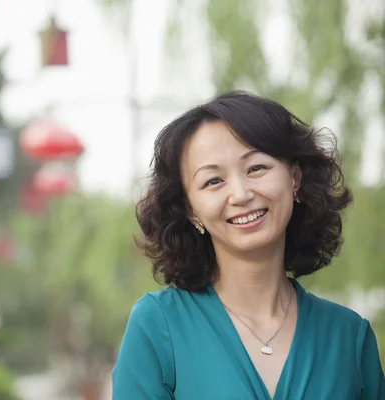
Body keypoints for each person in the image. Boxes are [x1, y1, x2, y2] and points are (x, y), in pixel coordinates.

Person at [112, 91, 385, 399]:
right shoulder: (157, 325)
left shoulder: (350, 337)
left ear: (294, 179)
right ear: (191, 210)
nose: (241, 194)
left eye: (256, 168)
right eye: (213, 181)